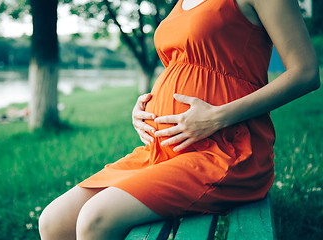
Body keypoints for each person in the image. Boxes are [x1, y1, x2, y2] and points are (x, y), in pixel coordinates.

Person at [38, 0, 320, 239]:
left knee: (95, 219)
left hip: (227, 150)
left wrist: (216, 117)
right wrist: (147, 105)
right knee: (53, 221)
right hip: (164, 150)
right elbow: (185, 67)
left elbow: (305, 73)